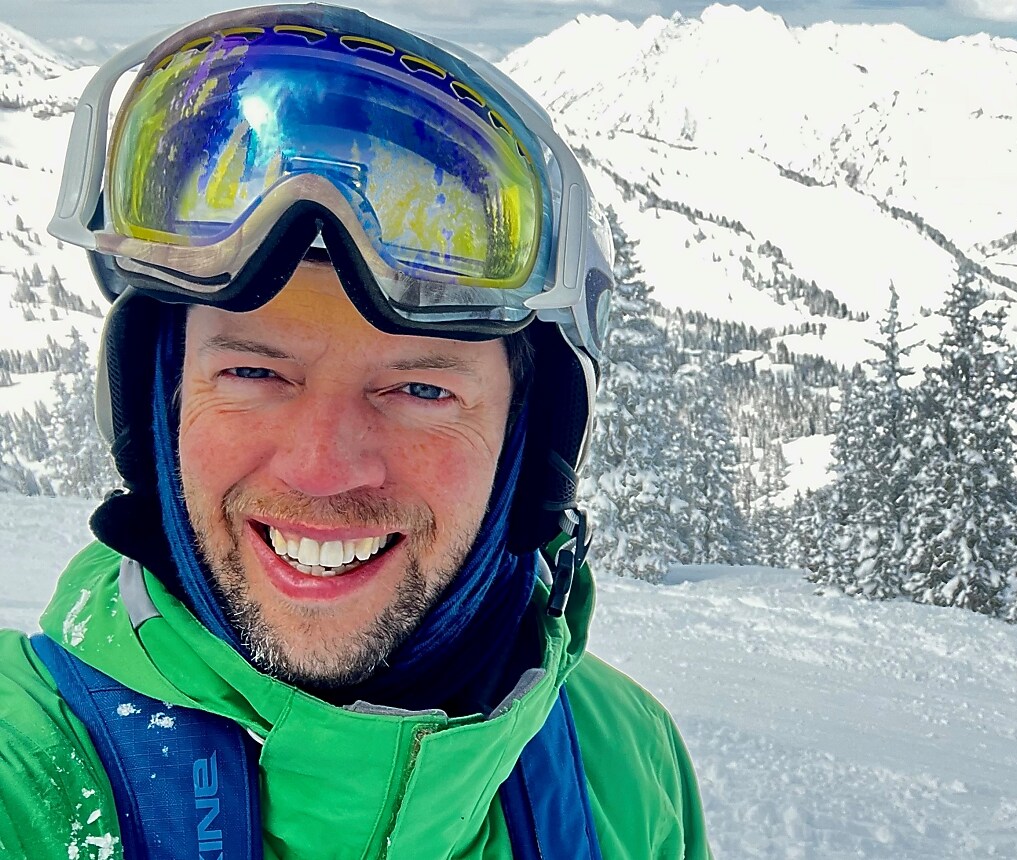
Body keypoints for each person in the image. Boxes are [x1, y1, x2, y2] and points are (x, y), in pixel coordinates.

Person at [0, 4, 711, 858]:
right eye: (254, 374)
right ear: (156, 413)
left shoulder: (622, 767)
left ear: (529, 452)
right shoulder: (27, 772)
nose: (321, 470)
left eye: (419, 388)